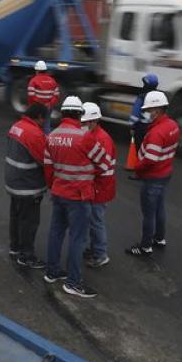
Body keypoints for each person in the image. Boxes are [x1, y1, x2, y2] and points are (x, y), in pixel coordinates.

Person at [44, 96, 112, 299]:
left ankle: (52, 272)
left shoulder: (53, 135)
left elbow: (48, 168)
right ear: (79, 114)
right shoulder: (85, 137)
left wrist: (55, 186)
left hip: (58, 193)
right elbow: (105, 164)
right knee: (77, 238)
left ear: (64, 113)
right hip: (79, 197)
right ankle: (73, 282)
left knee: (55, 233)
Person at [126, 91, 180, 258]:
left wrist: (138, 168)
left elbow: (150, 159)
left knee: (149, 213)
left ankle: (145, 247)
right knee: (159, 208)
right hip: (165, 173)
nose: (147, 114)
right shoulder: (173, 125)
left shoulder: (157, 132)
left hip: (153, 177)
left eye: (149, 110)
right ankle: (159, 238)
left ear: (157, 110)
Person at [5, 103, 49, 269]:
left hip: (13, 181)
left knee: (15, 216)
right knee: (29, 221)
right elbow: (45, 160)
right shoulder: (35, 134)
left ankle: (15, 248)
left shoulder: (16, 126)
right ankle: (26, 255)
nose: (45, 123)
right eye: (44, 119)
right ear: (39, 117)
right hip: (28, 186)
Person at [80, 102, 116, 268]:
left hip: (101, 186)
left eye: (85, 122)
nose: (83, 125)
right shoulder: (94, 135)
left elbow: (103, 166)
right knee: (93, 220)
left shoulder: (102, 139)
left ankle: (101, 254)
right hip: (97, 185)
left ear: (94, 121)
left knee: (96, 221)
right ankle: (95, 249)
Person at [27, 60, 60, 133]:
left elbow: (31, 96)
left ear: (37, 71)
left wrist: (34, 106)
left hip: (37, 107)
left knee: (35, 125)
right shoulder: (53, 81)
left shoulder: (33, 81)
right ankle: (47, 140)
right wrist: (49, 104)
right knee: (47, 124)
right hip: (48, 107)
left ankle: (36, 140)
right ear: (46, 70)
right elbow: (56, 95)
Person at [128, 73, 159, 146]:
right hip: (154, 126)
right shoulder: (158, 96)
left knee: (139, 146)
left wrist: (132, 126)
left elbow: (135, 113)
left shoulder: (142, 97)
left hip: (142, 127)